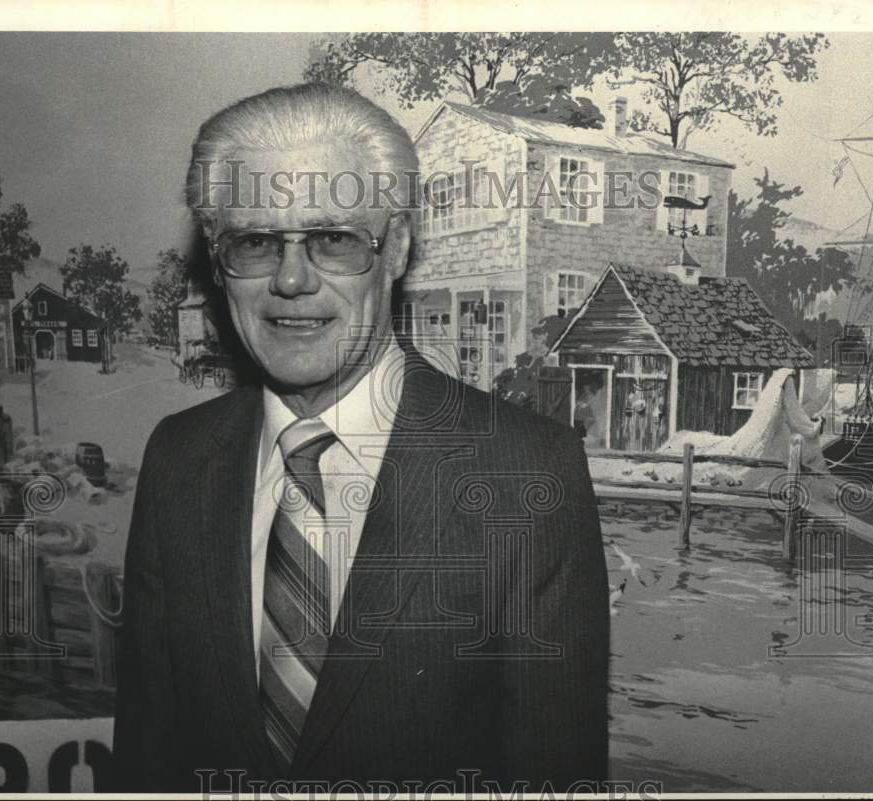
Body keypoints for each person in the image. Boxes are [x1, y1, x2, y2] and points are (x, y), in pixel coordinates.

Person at [112, 83, 608, 793]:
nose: (290, 279)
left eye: (334, 239)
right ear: (219, 261)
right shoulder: (179, 458)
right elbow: (147, 760)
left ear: (397, 247)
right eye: (254, 241)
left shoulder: (528, 473)